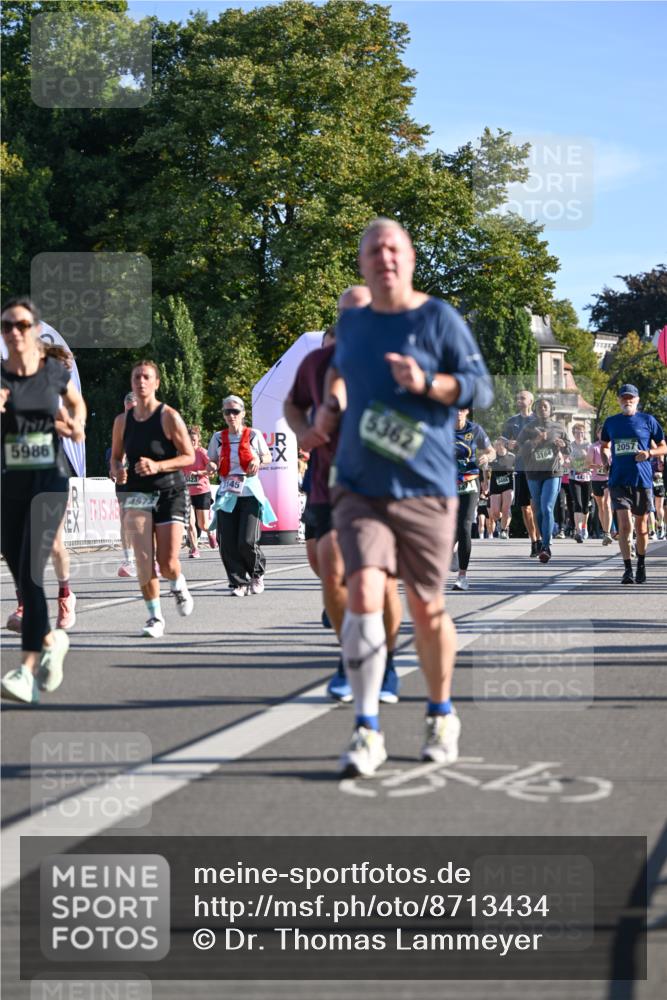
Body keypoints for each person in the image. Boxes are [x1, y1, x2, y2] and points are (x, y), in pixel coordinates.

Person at [315, 217, 493, 777]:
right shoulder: (355, 324)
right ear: (363, 262)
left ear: (410, 258)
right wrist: (329, 406)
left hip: (426, 486)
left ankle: (441, 712)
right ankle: (366, 727)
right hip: (361, 485)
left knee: (425, 606)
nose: (384, 257)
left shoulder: (438, 318)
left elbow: (478, 386)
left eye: (394, 249)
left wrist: (428, 385)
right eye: (373, 250)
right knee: (365, 589)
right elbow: (340, 374)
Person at [284, 291, 403, 705]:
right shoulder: (316, 364)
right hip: (326, 484)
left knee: (380, 583)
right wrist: (304, 430)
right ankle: (350, 655)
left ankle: (385, 663)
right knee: (331, 573)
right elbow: (291, 404)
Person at [1, 297, 86, 703]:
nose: (13, 333)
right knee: (20, 570)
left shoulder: (53, 371)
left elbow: (75, 402)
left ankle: (27, 670)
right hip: (10, 483)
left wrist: (77, 424)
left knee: (33, 567)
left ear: (33, 329)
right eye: (6, 327)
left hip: (49, 480)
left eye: (20, 325)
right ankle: (52, 639)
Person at [110, 360, 195, 637]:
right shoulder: (122, 421)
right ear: (132, 382)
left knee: (167, 562)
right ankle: (155, 617)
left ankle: (178, 582)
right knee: (144, 559)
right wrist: (117, 470)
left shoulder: (169, 416)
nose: (141, 381)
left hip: (170, 490)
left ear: (156, 383)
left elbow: (189, 456)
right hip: (137, 493)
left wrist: (158, 466)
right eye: (137, 377)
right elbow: (114, 457)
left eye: (147, 377)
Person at [207, 395, 274, 596]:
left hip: (250, 491)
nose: (231, 415)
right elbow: (211, 460)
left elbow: (267, 456)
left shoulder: (254, 435)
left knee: (246, 540)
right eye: (227, 412)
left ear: (243, 413)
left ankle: (256, 573)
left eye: (235, 411)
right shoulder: (218, 437)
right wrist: (210, 466)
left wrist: (258, 461)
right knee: (226, 540)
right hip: (227, 491)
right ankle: (238, 583)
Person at [601, 384, 666, 584]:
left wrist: (650, 453)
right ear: (619, 400)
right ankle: (627, 569)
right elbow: (605, 445)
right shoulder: (611, 422)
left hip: (642, 480)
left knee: (641, 526)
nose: (627, 401)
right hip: (618, 479)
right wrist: (605, 458)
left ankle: (641, 565)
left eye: (631, 398)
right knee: (624, 524)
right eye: (624, 398)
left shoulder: (648, 420)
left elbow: (664, 446)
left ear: (637, 400)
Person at [516, 397, 569, 564]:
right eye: (538, 407)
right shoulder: (528, 428)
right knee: (538, 509)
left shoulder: (559, 427)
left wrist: (563, 445)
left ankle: (546, 546)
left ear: (551, 409)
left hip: (553, 472)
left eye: (545, 406)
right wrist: (536, 441)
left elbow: (569, 448)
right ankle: (541, 541)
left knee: (547, 507)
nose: (541, 409)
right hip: (533, 473)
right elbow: (520, 450)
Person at [453, 408, 495, 590]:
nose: (457, 413)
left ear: (466, 411)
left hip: (469, 482)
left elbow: (491, 451)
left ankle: (462, 576)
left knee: (464, 525)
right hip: (446, 483)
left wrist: (487, 456)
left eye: (461, 409)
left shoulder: (475, 430)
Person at [503, 390, 542, 557]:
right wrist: (508, 443)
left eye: (522, 398)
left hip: (536, 468)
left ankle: (541, 540)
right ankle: (533, 541)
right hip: (519, 467)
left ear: (531, 401)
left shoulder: (538, 420)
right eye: (517, 397)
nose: (519, 400)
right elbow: (502, 440)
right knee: (525, 508)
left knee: (536, 506)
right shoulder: (512, 421)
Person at [184, 425, 217, 558]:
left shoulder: (203, 453)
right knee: (190, 522)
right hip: (186, 493)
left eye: (194, 440)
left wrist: (198, 473)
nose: (191, 443)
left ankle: (210, 533)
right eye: (189, 440)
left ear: (198, 440)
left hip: (202, 491)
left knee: (202, 524)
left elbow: (212, 472)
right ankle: (194, 548)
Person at [587, 426, 613, 545]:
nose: (602, 435)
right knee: (601, 506)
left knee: (607, 504)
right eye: (600, 433)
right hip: (597, 478)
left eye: (604, 433)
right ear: (597, 434)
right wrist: (598, 466)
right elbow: (588, 464)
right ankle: (605, 531)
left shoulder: (612, 445)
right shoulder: (593, 447)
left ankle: (607, 533)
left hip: (609, 478)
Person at [568, 423, 593, 542]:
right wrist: (568, 462)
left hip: (587, 478)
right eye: (577, 432)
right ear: (573, 434)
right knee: (577, 503)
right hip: (574, 478)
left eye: (582, 432)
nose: (579, 435)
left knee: (585, 506)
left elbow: (593, 461)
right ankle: (577, 531)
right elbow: (566, 460)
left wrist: (587, 457)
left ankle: (584, 526)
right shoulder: (570, 446)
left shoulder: (589, 445)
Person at [487, 437, 515, 539]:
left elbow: (518, 468)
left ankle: (504, 530)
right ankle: (500, 522)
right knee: (494, 512)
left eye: (500, 444)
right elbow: (485, 469)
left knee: (506, 507)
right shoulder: (492, 457)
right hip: (495, 485)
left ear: (504, 444)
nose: (497, 446)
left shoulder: (512, 457)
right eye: (496, 444)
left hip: (508, 485)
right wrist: (485, 482)